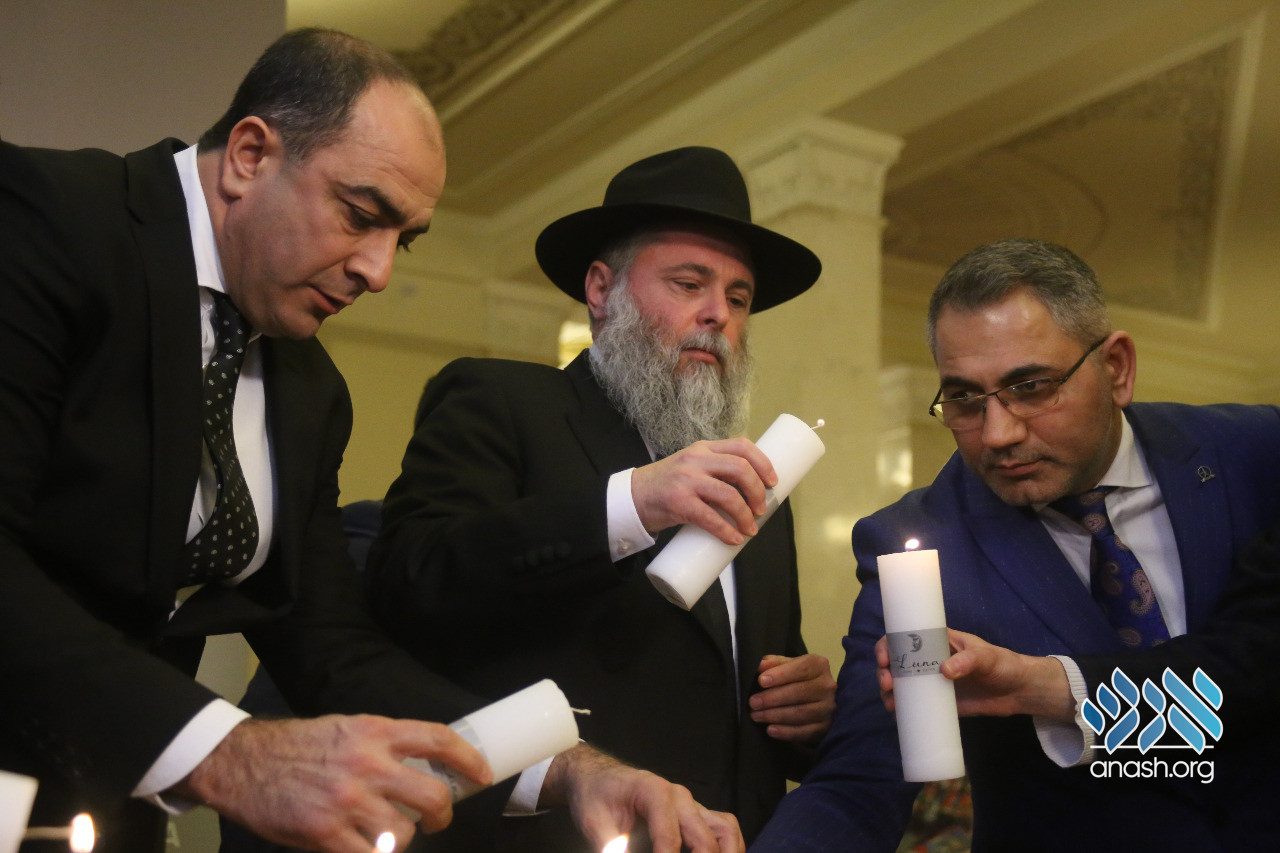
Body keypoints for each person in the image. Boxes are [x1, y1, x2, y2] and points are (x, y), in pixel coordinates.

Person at [0, 29, 744, 853]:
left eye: (404, 239)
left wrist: (566, 769)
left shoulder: (308, 389)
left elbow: (332, 648)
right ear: (249, 155)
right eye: (360, 216)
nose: (379, 271)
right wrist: (230, 753)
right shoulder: (39, 217)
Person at [364, 145, 838, 850]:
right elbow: (413, 583)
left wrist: (809, 714)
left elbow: (746, 694)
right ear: (600, 289)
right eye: (689, 284)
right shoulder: (504, 403)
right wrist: (631, 504)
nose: (718, 314)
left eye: (739, 298)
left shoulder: (761, 486)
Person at [751, 239, 1280, 852]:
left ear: (1116, 368)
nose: (998, 434)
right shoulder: (921, 544)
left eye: (1030, 387)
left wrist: (1043, 687)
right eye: (964, 399)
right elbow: (859, 782)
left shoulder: (1256, 455)